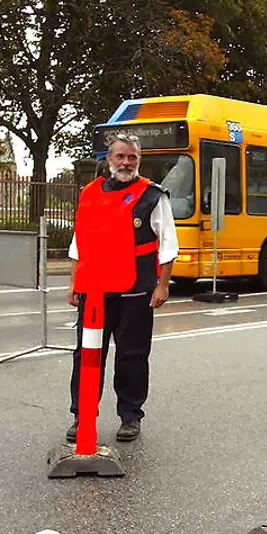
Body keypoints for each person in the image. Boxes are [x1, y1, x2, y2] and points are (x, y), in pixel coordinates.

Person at [64, 132, 178, 444]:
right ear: (109, 159)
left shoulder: (153, 196)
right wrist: (75, 281)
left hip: (136, 289)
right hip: (95, 290)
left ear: (139, 161)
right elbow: (79, 241)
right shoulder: (89, 193)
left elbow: (168, 244)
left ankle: (130, 416)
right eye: (120, 156)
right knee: (87, 355)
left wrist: (162, 285)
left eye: (132, 158)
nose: (126, 163)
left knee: (132, 355)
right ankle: (82, 415)